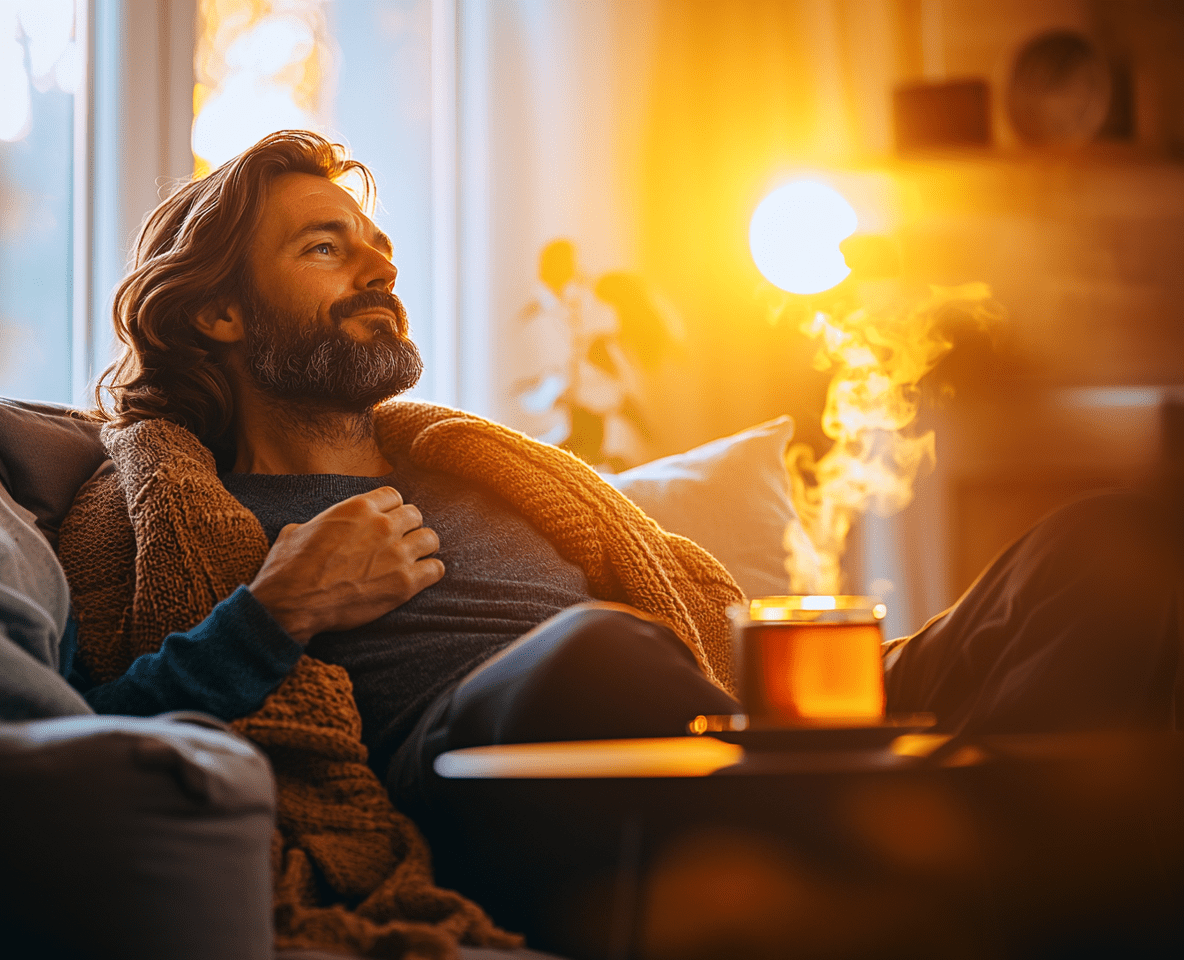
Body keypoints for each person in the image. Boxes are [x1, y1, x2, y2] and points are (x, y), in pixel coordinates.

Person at [56, 130, 1184, 956]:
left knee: (1102, 541)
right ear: (218, 314)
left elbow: (684, 609)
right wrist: (275, 610)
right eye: (324, 248)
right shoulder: (155, 506)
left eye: (378, 248)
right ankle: (996, 874)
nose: (378, 270)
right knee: (589, 653)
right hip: (480, 767)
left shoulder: (477, 463)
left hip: (716, 714)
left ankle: (1010, 870)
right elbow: (92, 750)